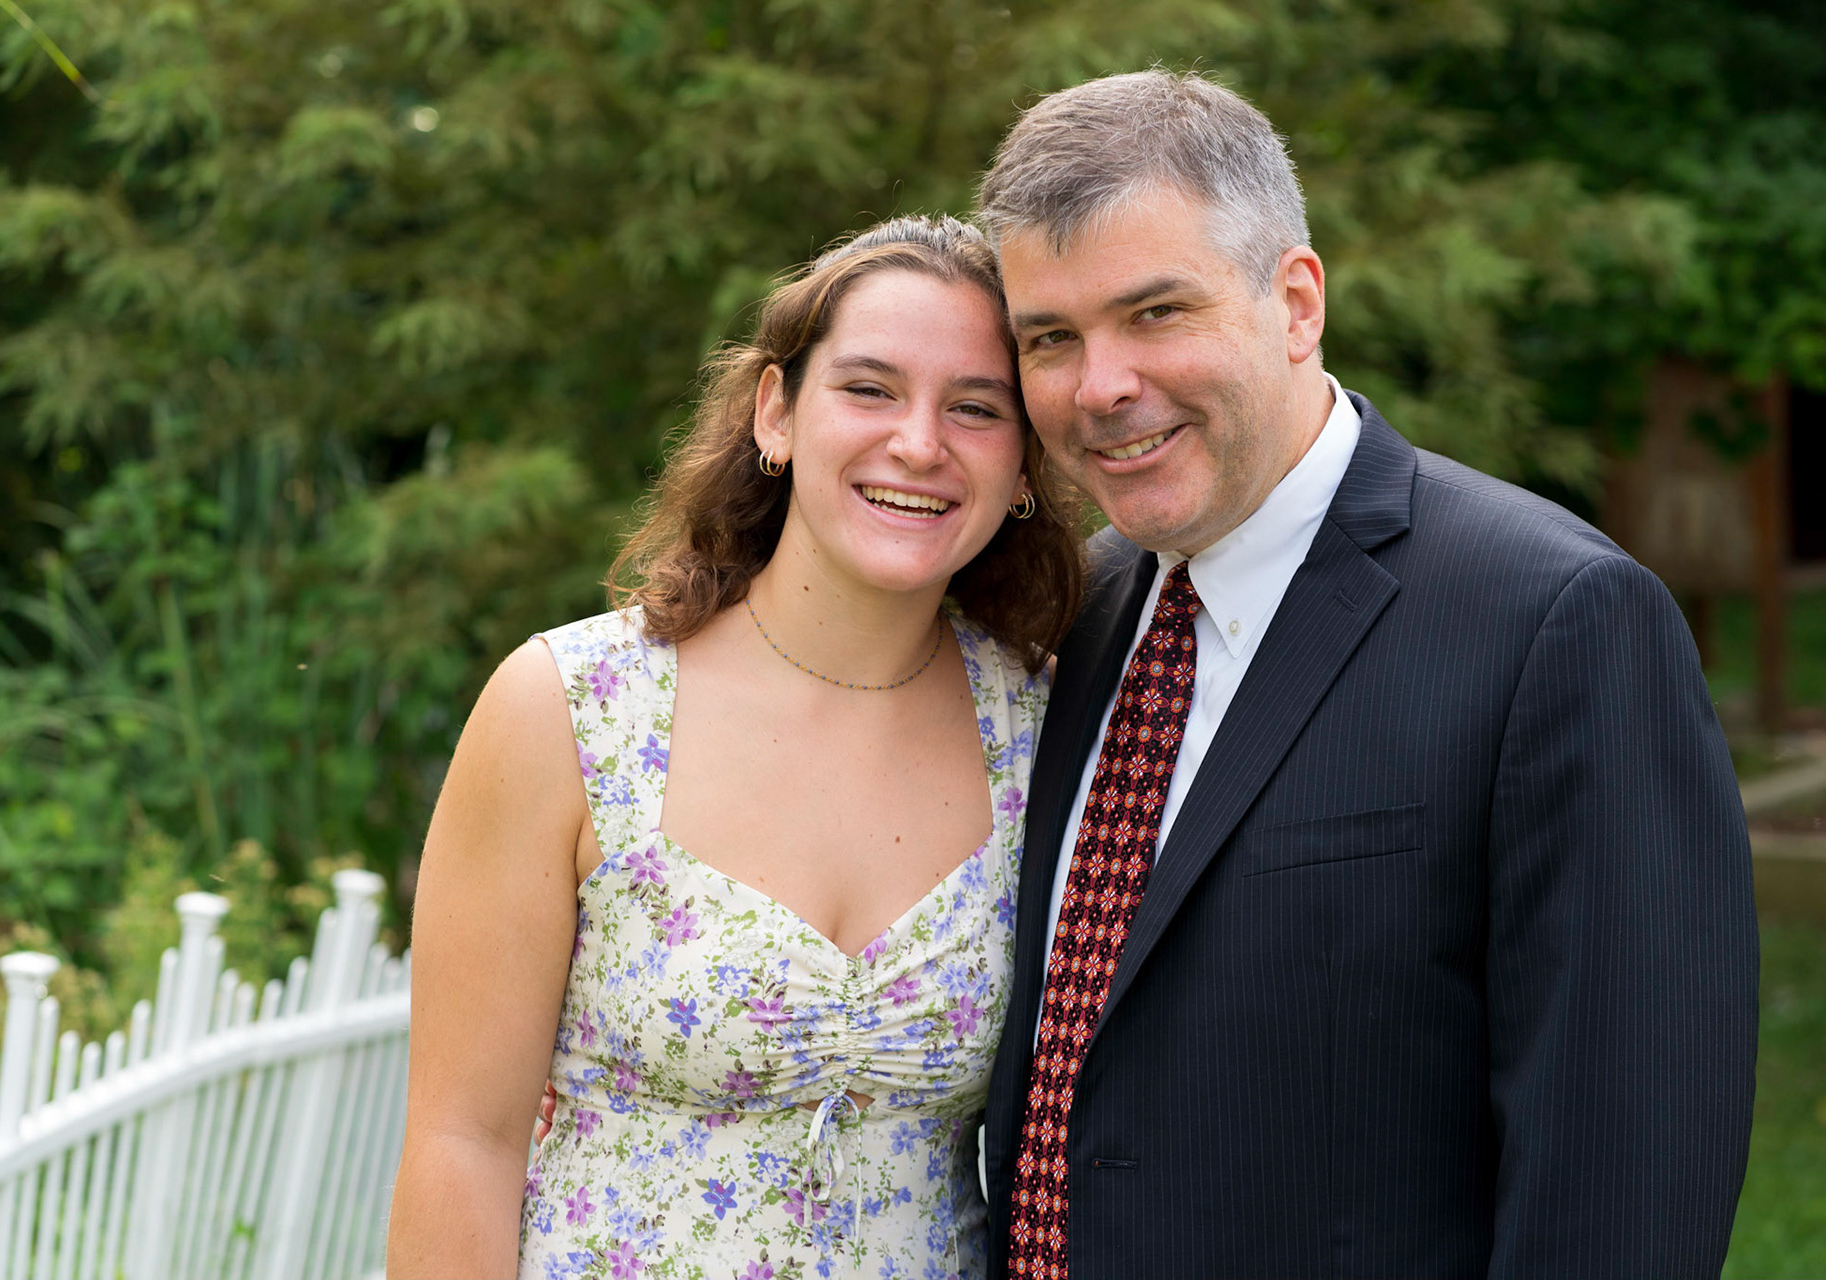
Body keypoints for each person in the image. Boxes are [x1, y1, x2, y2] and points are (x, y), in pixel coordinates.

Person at [973, 71, 1759, 1279]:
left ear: (1295, 303)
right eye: (1051, 339)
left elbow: (1623, 1190)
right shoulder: (1071, 615)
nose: (1102, 386)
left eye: (1157, 313)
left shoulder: (1556, 622)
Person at [385, 214, 1086, 1279]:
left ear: (1025, 462)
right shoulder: (571, 710)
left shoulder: (1053, 733)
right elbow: (460, 1145)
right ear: (777, 412)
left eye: (976, 408)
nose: (919, 442)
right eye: (869, 387)